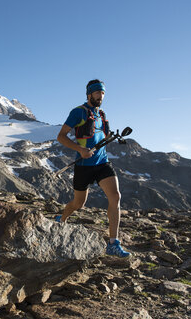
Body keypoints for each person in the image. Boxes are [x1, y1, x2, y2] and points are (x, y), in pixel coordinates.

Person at [55, 79, 130, 258]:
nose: (101, 96)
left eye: (103, 93)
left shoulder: (102, 114)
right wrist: (80, 149)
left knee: (115, 196)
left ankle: (113, 243)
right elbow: (61, 136)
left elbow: (99, 136)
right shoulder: (78, 112)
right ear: (89, 94)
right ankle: (61, 218)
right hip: (83, 165)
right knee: (78, 204)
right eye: (97, 93)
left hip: (102, 163)